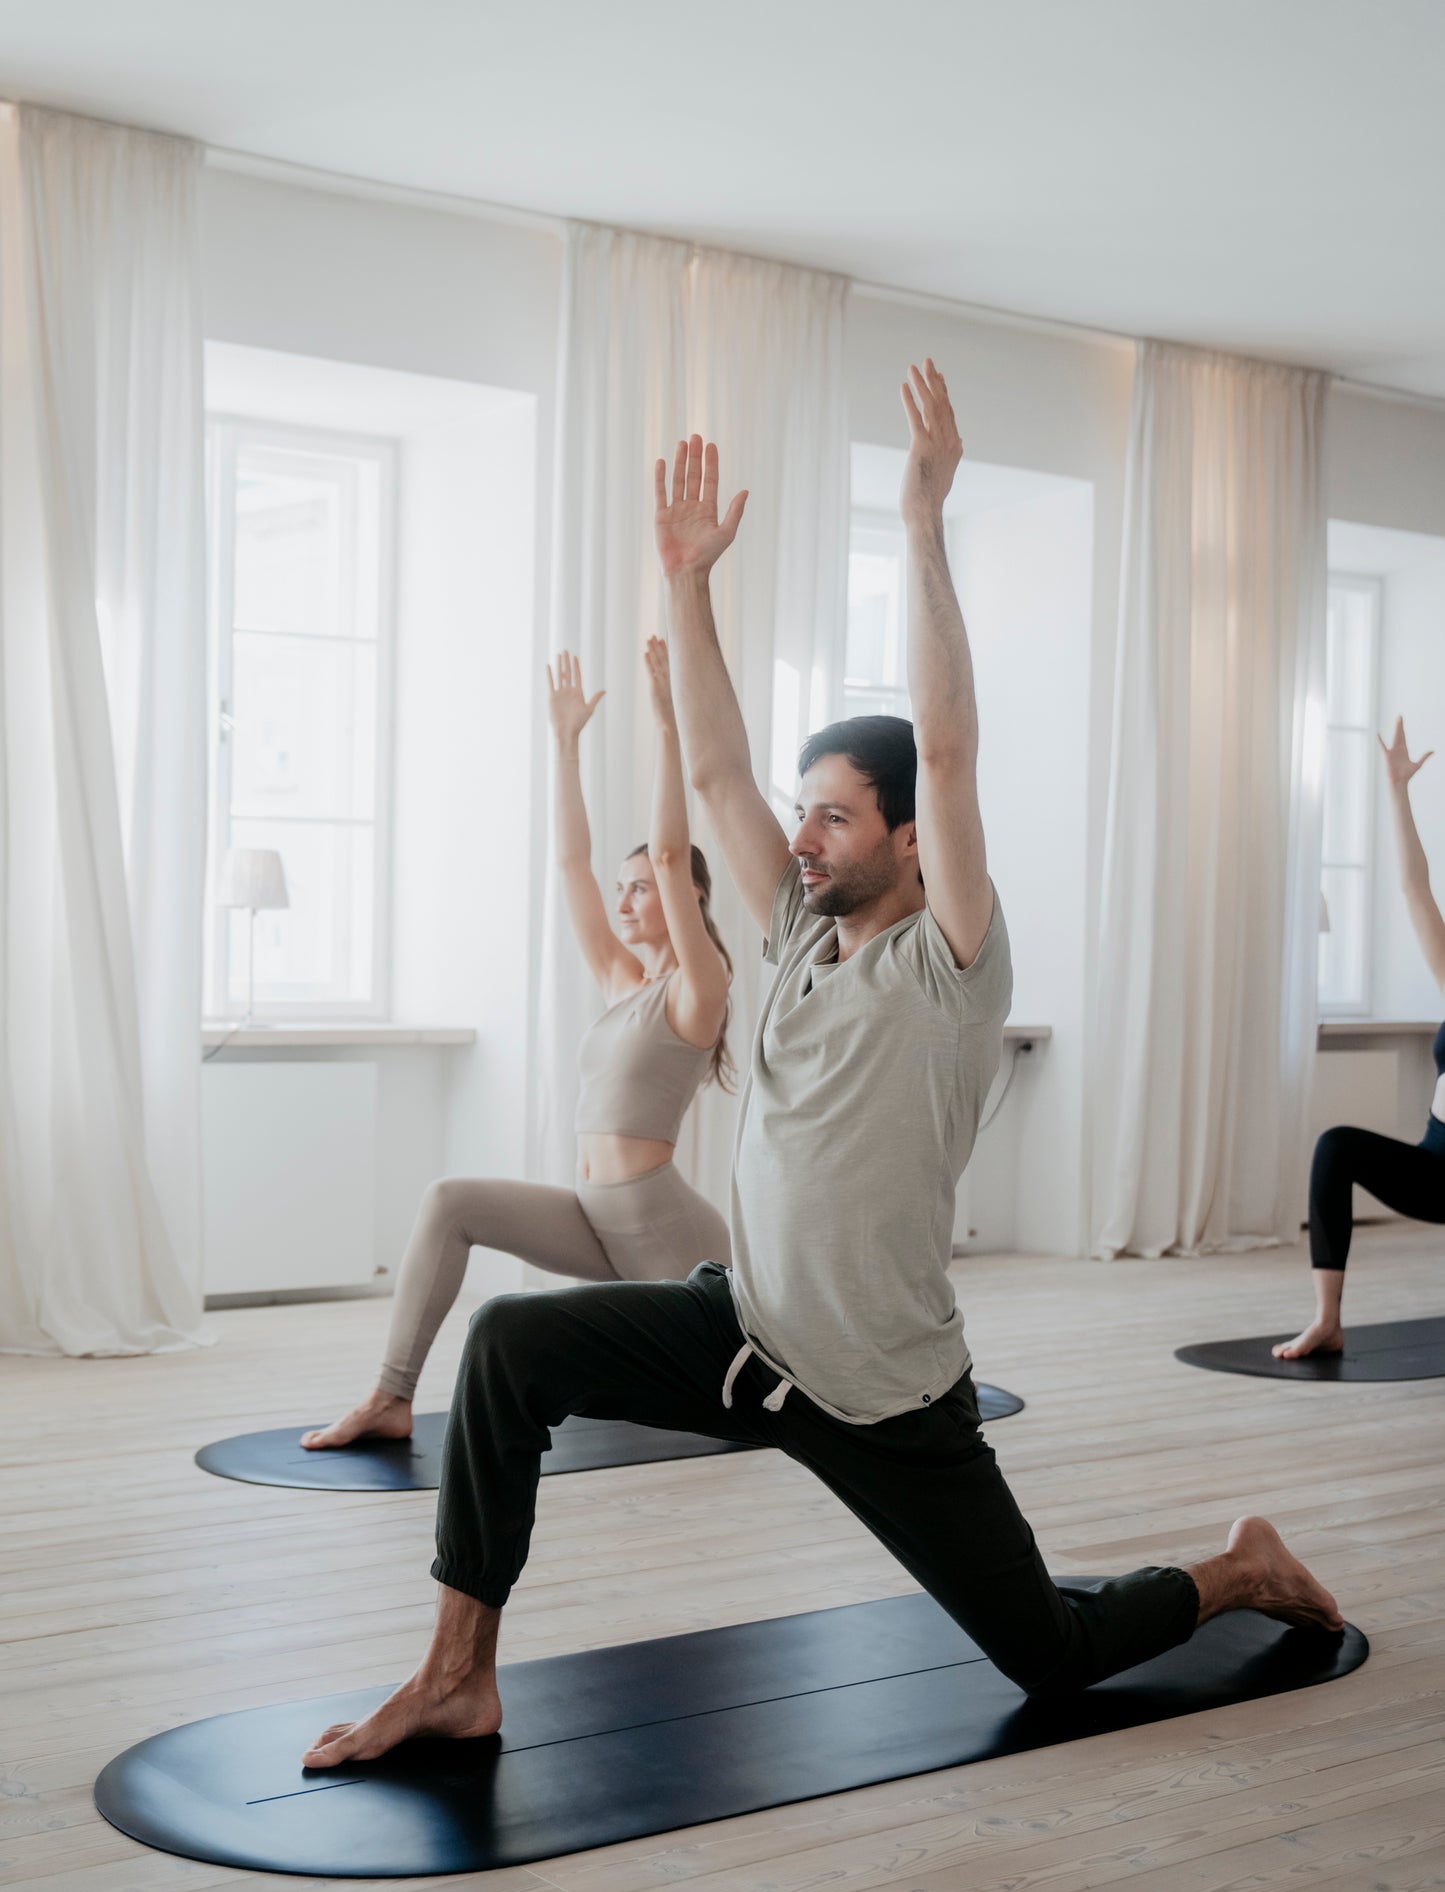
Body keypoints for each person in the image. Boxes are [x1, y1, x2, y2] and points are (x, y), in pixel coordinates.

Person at [303, 359, 1341, 1767]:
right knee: (505, 1349)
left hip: (884, 1391)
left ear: (910, 839)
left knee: (1051, 1657)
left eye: (837, 818)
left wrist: (919, 523)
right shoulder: (796, 936)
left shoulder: (955, 962)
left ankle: (1239, 1567)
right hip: (745, 1330)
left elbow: (954, 748)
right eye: (808, 815)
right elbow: (721, 779)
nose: (804, 838)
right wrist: (686, 586)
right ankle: (455, 1675)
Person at [300, 639, 733, 1449]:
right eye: (623, 889)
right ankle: (390, 1397)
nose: (627, 899)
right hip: (599, 1218)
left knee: (716, 1393)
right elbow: (570, 863)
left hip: (671, 1241)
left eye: (641, 887)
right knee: (448, 1200)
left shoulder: (696, 991)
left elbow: (671, 852)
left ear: (687, 896)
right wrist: (565, 747)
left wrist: (670, 725)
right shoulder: (621, 981)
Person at [1275, 716, 1445, 1359]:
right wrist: (1397, 792)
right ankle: (1328, 1320)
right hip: (1436, 1168)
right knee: (1336, 1147)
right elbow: (1414, 888)